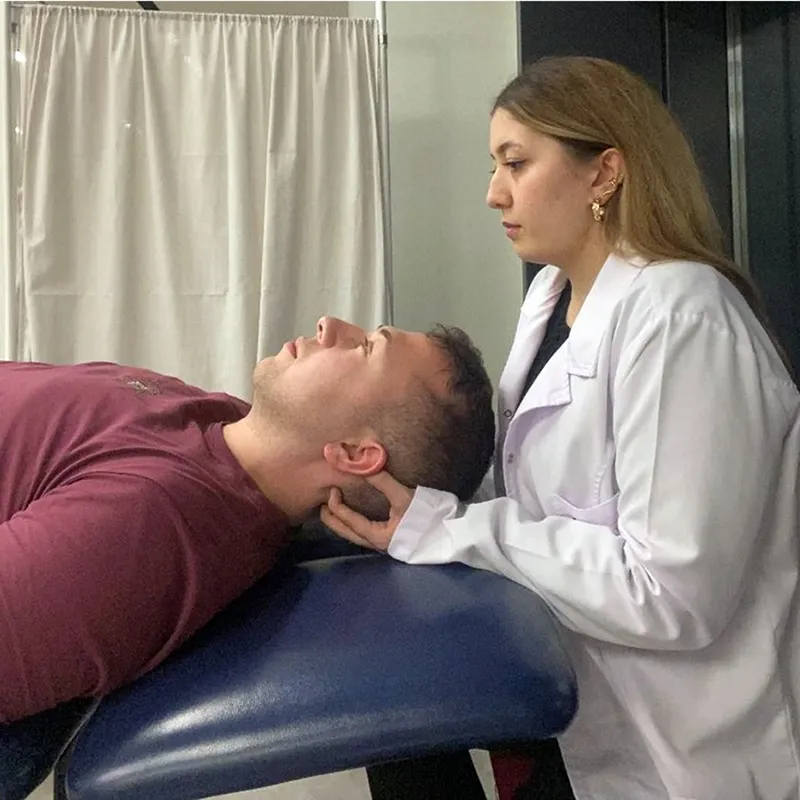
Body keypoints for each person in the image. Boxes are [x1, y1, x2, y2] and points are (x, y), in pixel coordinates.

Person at [322, 56, 800, 800]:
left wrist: (452, 529)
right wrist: (408, 499)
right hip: (580, 710)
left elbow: (674, 591)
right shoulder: (553, 299)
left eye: (516, 162)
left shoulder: (680, 315)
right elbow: (549, 493)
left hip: (681, 747)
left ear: (604, 173)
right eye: (494, 165)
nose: (493, 193)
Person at [0, 315, 494, 795]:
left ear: (354, 453)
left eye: (365, 347)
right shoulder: (221, 420)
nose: (330, 325)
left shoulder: (151, 522)